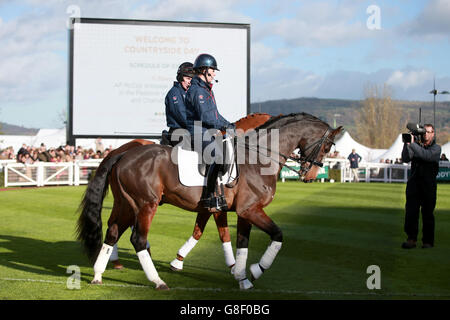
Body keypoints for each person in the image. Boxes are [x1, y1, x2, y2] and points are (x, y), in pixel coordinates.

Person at [185, 53, 234, 211]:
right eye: (212, 70)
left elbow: (215, 115)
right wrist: (224, 127)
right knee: (218, 157)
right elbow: (206, 117)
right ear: (204, 70)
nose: (214, 73)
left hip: (206, 131)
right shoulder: (198, 91)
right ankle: (208, 196)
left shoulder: (206, 90)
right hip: (197, 132)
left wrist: (230, 125)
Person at [401, 124, 441, 249]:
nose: (426, 134)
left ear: (433, 133)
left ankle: (427, 242)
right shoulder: (415, 145)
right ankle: (411, 239)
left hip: (428, 186)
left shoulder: (436, 148)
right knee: (411, 213)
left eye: (429, 132)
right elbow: (406, 158)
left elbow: (426, 156)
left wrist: (413, 145)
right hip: (414, 185)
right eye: (424, 132)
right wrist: (407, 143)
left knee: (428, 214)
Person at [162, 62, 194, 146]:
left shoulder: (190, 93)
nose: (190, 82)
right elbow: (182, 116)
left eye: (192, 79)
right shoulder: (174, 93)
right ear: (180, 78)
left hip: (189, 130)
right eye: (187, 78)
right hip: (178, 132)